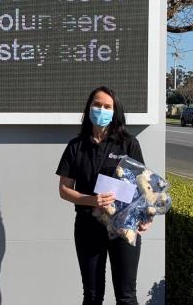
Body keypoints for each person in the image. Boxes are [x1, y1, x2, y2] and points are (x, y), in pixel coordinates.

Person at [56, 86, 151, 305]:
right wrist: (92, 200)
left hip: (123, 225)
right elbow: (64, 189)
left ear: (115, 112)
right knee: (92, 296)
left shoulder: (129, 144)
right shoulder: (75, 146)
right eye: (97, 105)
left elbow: (143, 187)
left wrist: (146, 215)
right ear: (89, 108)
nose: (102, 110)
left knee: (126, 297)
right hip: (88, 225)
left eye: (108, 106)